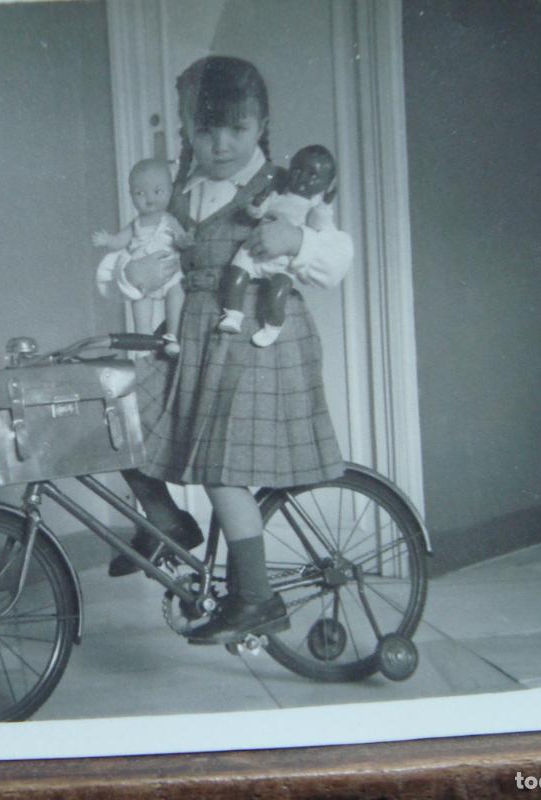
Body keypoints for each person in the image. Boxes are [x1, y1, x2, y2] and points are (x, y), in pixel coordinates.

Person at [106, 56, 354, 645]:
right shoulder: (181, 188)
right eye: (206, 129)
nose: (220, 144)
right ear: (189, 130)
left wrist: (295, 239)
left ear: (262, 125)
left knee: (223, 472)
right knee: (118, 414)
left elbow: (335, 258)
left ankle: (254, 599)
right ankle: (166, 520)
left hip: (256, 344)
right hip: (193, 334)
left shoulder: (287, 184)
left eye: (237, 130)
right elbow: (151, 263)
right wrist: (134, 273)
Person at [218, 144, 350, 347]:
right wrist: (257, 204)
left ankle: (272, 327)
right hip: (253, 250)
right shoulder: (276, 197)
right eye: (296, 169)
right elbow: (256, 212)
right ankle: (233, 315)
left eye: (312, 175)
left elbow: (321, 227)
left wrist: (326, 203)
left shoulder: (314, 209)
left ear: (326, 184)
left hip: (283, 262)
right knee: (237, 273)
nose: (302, 177)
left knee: (278, 295)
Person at [94, 158, 188, 356]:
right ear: (131, 196)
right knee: (140, 304)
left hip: (170, 274)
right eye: (140, 194)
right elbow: (120, 241)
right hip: (141, 278)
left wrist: (185, 241)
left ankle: (173, 336)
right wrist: (108, 240)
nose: (149, 199)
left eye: (157, 191)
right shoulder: (136, 223)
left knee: (176, 295)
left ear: (170, 191)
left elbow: (180, 239)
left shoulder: (168, 220)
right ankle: (144, 343)